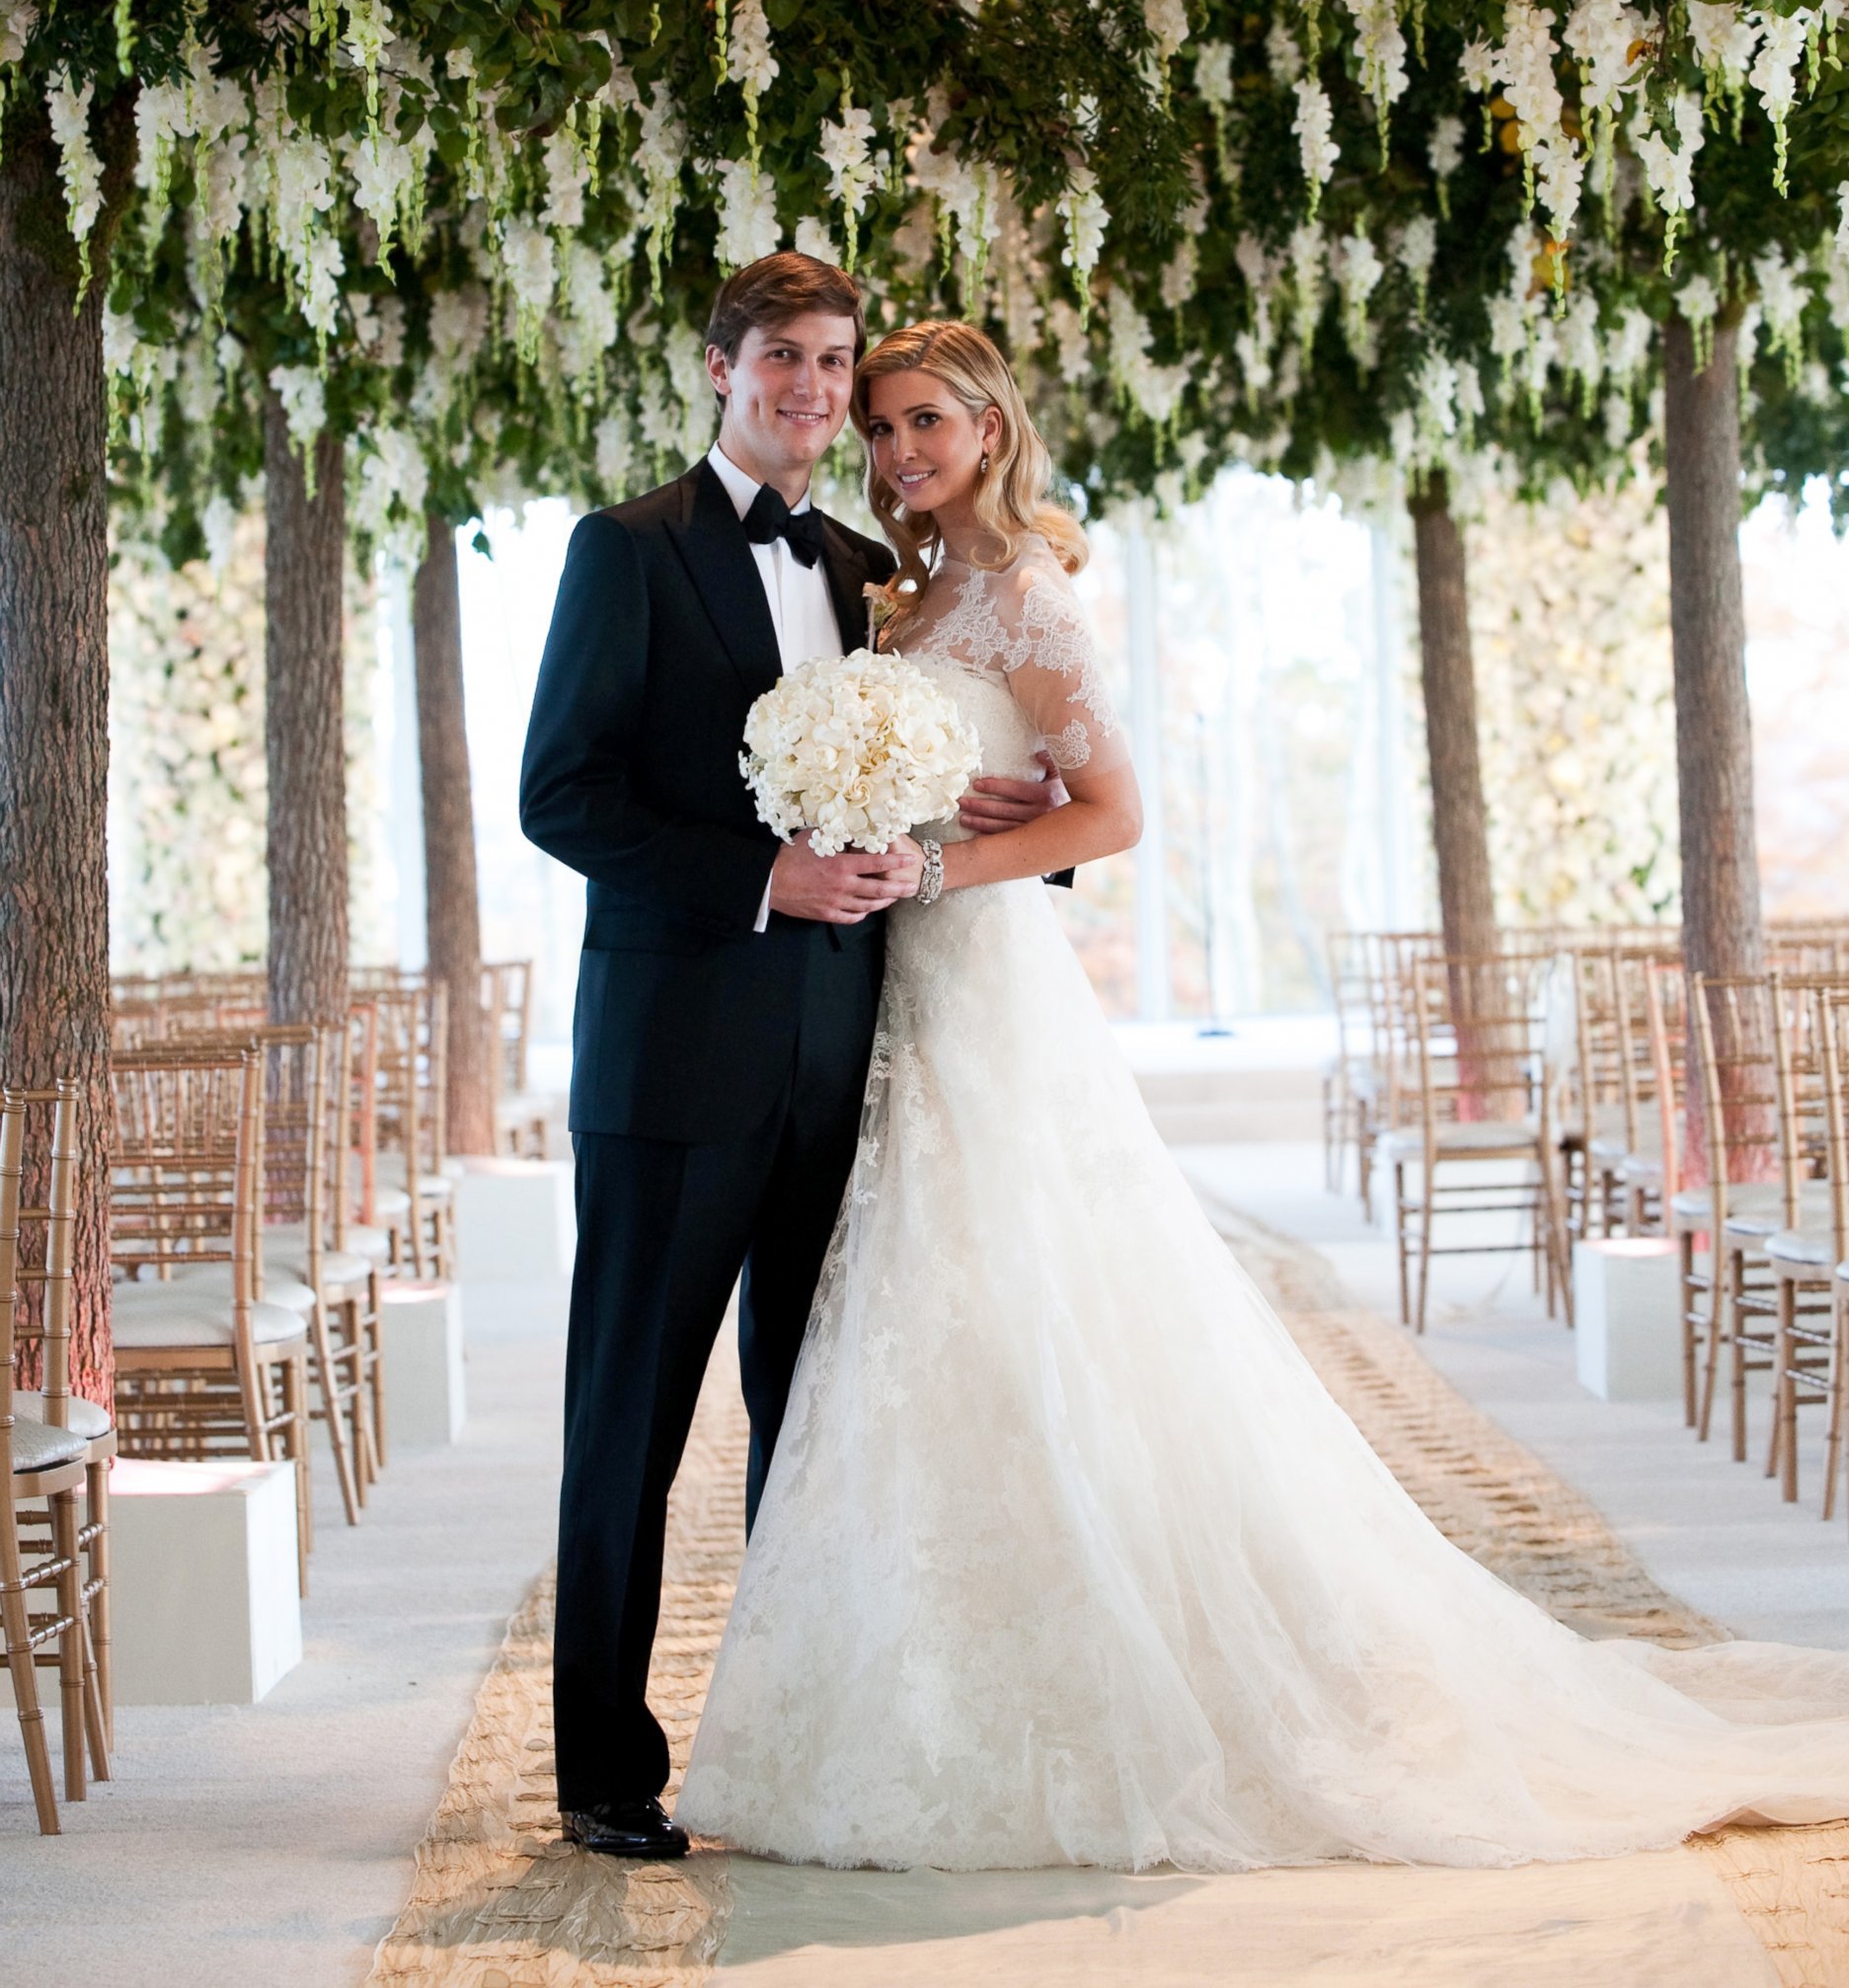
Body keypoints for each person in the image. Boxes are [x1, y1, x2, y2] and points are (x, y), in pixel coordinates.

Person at [677, 316, 1849, 1873]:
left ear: (988, 429)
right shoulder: (893, 599)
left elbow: (1115, 810)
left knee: (1018, 1300)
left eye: (922, 425)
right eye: (880, 427)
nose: (895, 452)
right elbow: (934, 769)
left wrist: (944, 861)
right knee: (929, 1322)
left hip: (983, 984)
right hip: (887, 986)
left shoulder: (1024, 595)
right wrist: (900, 812)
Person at [518, 259, 1059, 1859]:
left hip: (845, 1054)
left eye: (834, 365)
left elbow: (892, 759)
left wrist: (982, 805)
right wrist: (759, 878)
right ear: (717, 371)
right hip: (672, 1065)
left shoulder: (857, 567)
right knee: (630, 1417)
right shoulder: (622, 552)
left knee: (811, 1421)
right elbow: (564, 797)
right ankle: (602, 1772)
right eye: (782, 361)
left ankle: (784, 1741)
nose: (814, 392)